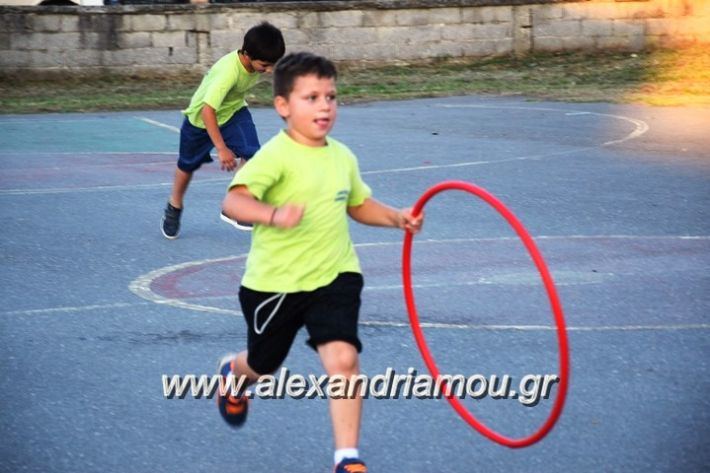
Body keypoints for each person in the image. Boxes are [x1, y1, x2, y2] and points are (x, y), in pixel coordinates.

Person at [218, 52, 424, 473]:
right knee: (263, 364)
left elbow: (358, 204)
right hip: (274, 284)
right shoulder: (275, 156)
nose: (325, 106)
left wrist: (396, 218)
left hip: (334, 275)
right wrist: (274, 214)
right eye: (311, 97)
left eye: (331, 96)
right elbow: (233, 202)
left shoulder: (342, 157)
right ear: (283, 106)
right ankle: (233, 375)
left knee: (343, 359)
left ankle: (346, 458)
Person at [161, 22, 285, 239]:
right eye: (265, 65)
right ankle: (175, 205)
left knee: (253, 154)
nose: (269, 70)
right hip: (200, 121)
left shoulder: (255, 60)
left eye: (272, 65)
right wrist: (221, 148)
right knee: (186, 166)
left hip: (233, 113)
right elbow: (208, 111)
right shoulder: (229, 72)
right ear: (247, 55)